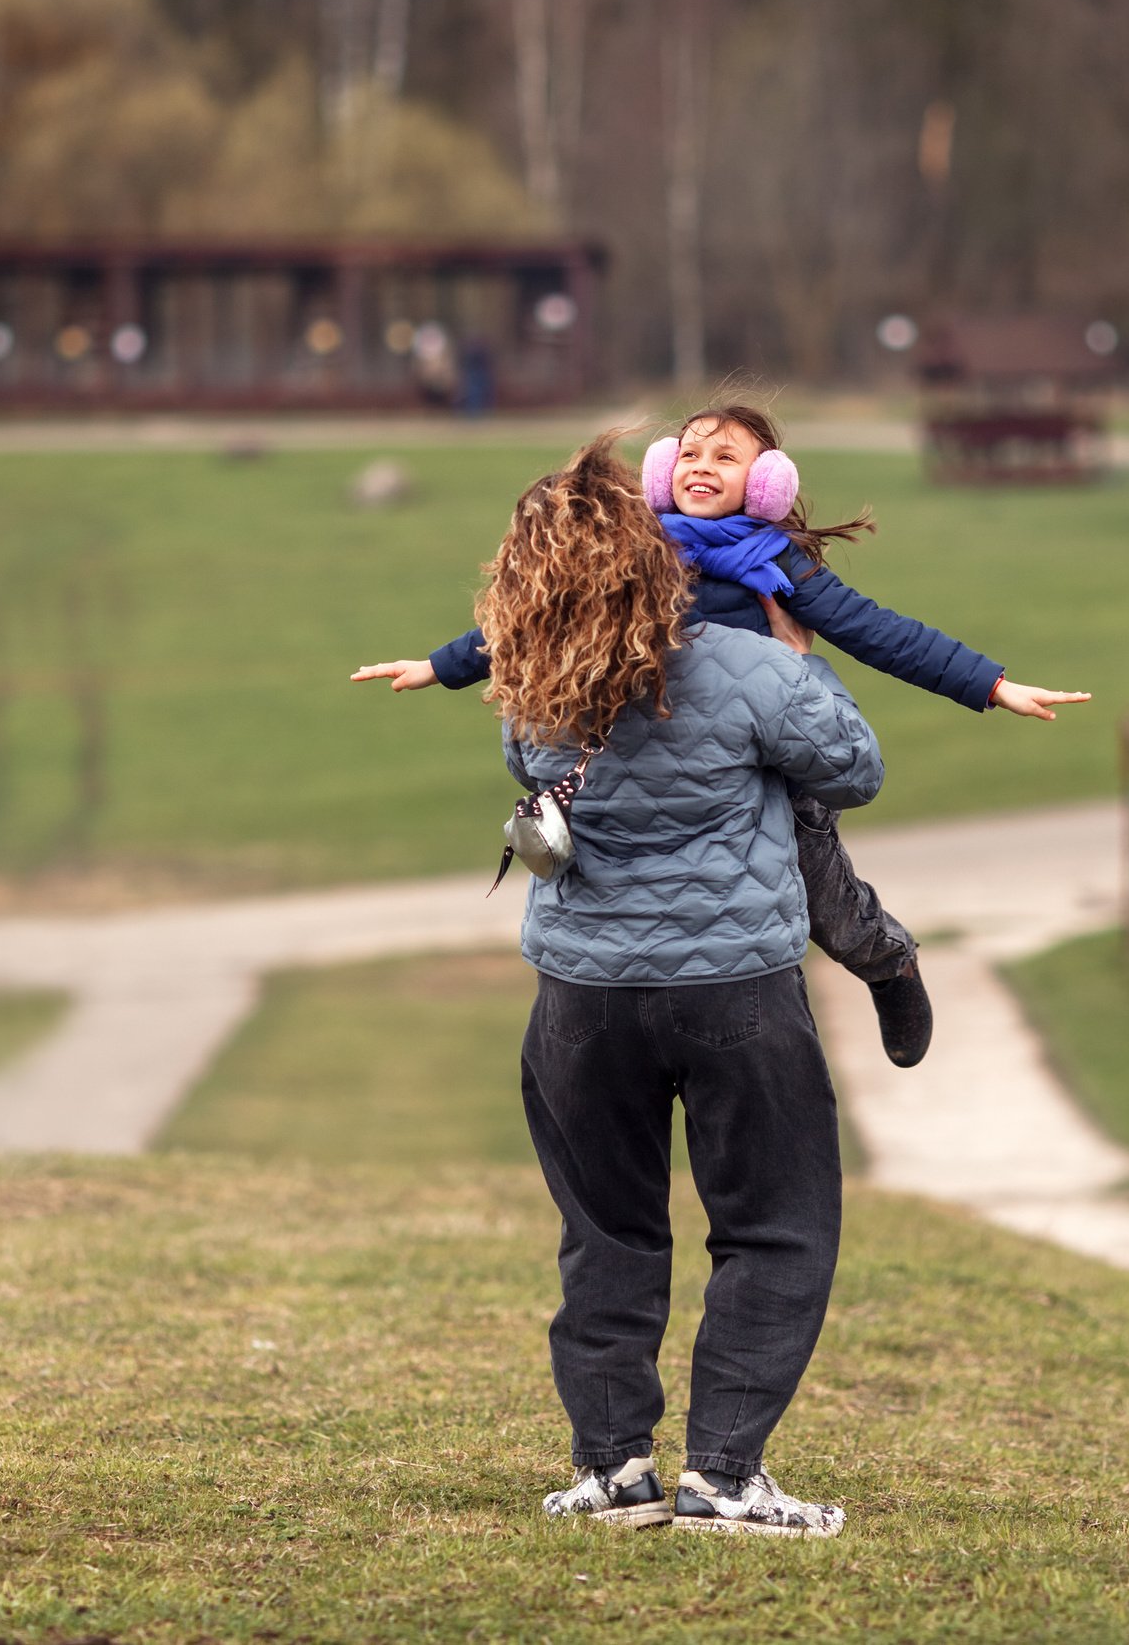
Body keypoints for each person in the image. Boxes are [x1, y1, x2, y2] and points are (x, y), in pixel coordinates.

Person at [410, 431, 882, 1536]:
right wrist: (797, 659)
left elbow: (537, 780)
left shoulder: (532, 687)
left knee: (607, 1230)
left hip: (582, 996)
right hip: (737, 990)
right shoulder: (755, 670)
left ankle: (614, 1470)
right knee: (773, 1226)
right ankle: (723, 1471)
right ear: (658, 557)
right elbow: (855, 769)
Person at [352, 402, 1089, 1068]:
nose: (703, 467)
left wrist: (989, 684)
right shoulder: (633, 544)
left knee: (825, 902)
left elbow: (876, 631)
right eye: (691, 453)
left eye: (725, 457)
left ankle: (888, 965)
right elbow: (538, 614)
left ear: (765, 483)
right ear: (663, 472)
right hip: (652, 745)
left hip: (764, 760)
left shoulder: (776, 563)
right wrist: (438, 666)